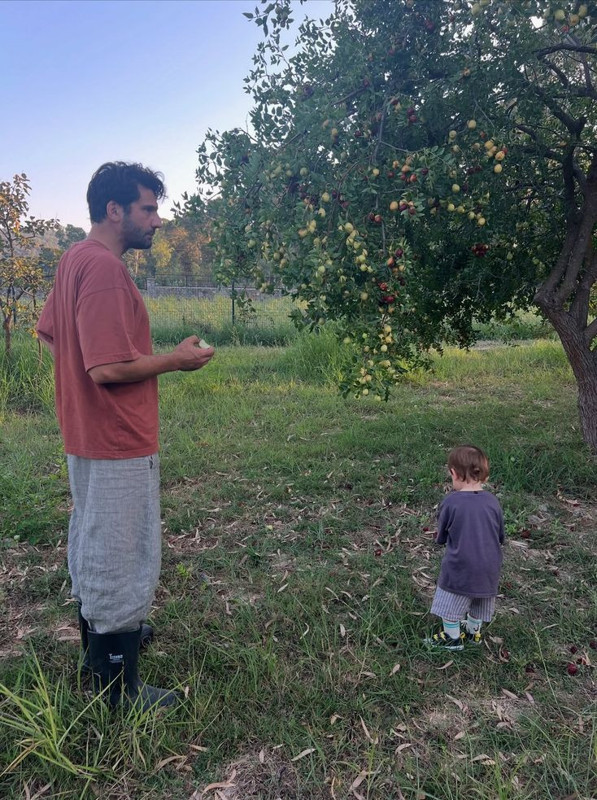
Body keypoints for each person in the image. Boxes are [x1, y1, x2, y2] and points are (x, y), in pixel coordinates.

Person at [36, 161, 215, 710]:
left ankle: (104, 647)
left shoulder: (73, 259)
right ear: (115, 210)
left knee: (94, 538)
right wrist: (176, 361)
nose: (157, 221)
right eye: (148, 209)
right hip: (116, 437)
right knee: (120, 550)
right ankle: (117, 688)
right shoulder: (106, 269)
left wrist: (82, 387)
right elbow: (107, 369)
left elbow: (50, 336)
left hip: (87, 433)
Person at [425, 445, 505, 651]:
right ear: (483, 476)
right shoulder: (493, 502)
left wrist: (441, 538)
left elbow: (442, 534)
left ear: (454, 473)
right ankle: (472, 632)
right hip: (490, 564)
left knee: (450, 599)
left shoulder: (451, 502)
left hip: (462, 563)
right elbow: (500, 533)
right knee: (480, 598)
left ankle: (452, 638)